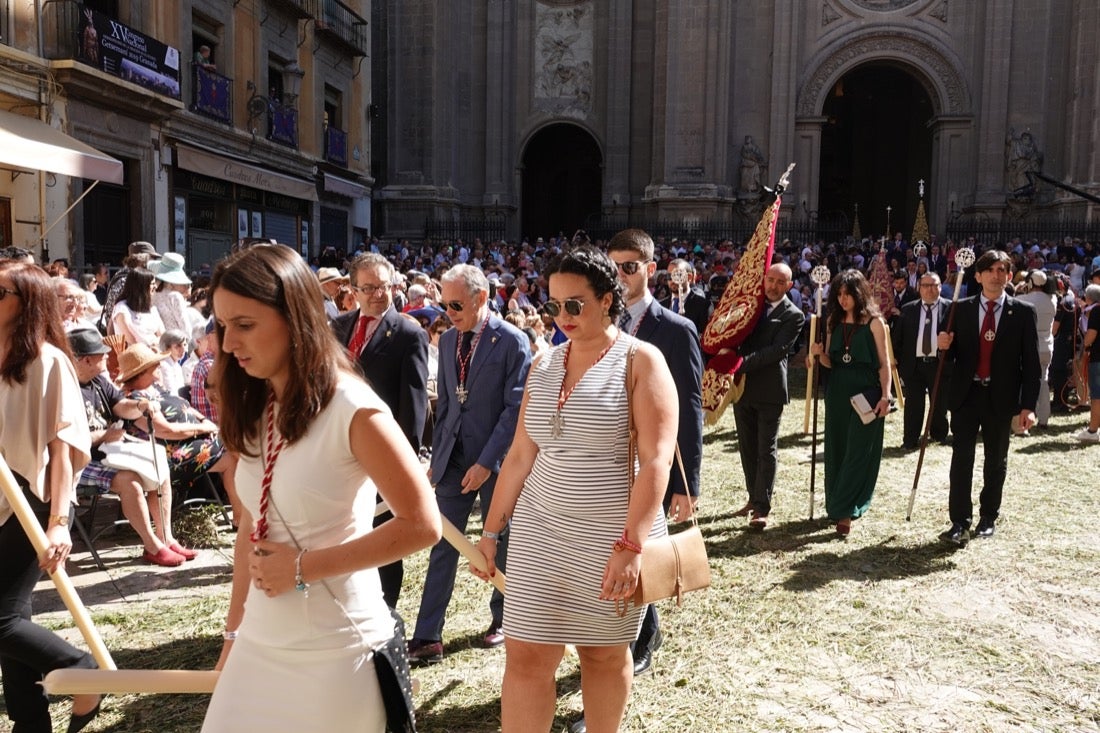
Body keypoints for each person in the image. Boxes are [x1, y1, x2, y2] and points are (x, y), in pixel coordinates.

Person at [201, 244, 441, 732]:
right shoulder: (255, 401)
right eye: (223, 326)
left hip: (339, 651)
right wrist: (232, 638)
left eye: (244, 325)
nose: (228, 344)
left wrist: (304, 568)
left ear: (294, 318)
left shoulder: (354, 408)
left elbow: (423, 525)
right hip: (258, 645)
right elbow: (252, 524)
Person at [472, 245, 678, 733]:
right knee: (524, 656)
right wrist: (490, 532)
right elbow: (521, 455)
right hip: (538, 536)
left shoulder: (641, 361)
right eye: (554, 305)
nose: (562, 315)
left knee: (602, 655)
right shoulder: (543, 365)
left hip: (609, 537)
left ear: (608, 300)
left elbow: (656, 460)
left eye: (574, 305)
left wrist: (631, 546)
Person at [407, 264, 531, 663]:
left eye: (456, 303)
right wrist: (438, 458)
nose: (449, 312)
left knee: (503, 541)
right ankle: (427, 635)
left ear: (481, 297)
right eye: (445, 304)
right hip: (455, 458)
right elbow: (445, 405)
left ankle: (505, 620)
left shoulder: (511, 341)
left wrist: (487, 462)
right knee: (443, 541)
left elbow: (515, 410)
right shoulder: (446, 342)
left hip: (496, 460)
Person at [0, 261, 102, 733]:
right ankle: (30, 722)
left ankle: (82, 669)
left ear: (28, 303)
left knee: (0, 621)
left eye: (0, 293)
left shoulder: (48, 360)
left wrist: (59, 520)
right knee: (11, 615)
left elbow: (63, 447)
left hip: (30, 498)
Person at [606, 228, 703, 687]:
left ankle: (640, 642)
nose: (620, 276)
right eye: (613, 267)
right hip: (606, 463)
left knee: (641, 548)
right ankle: (641, 633)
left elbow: (689, 409)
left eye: (629, 267)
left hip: (653, 463)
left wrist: (688, 484)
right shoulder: (596, 324)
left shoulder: (675, 330)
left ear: (649, 268)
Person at [331, 252, 430, 608]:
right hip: (340, 449)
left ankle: (386, 608)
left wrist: (406, 457)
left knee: (385, 534)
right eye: (369, 287)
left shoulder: (407, 334)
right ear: (352, 290)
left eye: (384, 286)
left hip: (384, 451)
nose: (378, 294)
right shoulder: (338, 329)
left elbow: (414, 403)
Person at [67, 328, 196, 567]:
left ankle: (166, 537)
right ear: (86, 359)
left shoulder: (98, 382)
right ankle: (152, 546)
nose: (107, 358)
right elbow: (68, 438)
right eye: (102, 355)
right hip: (80, 460)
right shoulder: (65, 388)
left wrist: (140, 405)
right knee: (130, 481)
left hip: (111, 453)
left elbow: (120, 405)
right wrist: (105, 435)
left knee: (159, 468)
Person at [936, 250, 1040, 545]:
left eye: (1002, 270)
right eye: (991, 269)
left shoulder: (1022, 312)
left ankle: (988, 517)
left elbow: (1031, 364)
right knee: (962, 459)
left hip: (1001, 397)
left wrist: (1028, 406)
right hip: (967, 396)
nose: (997, 275)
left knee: (995, 460)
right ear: (978, 276)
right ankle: (959, 521)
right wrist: (944, 345)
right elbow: (951, 353)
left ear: (1009, 276)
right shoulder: (960, 309)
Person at [808, 269, 893, 536]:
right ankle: (836, 503)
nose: (843, 300)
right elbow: (831, 363)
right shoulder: (833, 320)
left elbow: (884, 364)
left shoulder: (874, 323)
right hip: (838, 392)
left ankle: (845, 510)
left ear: (859, 294)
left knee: (859, 450)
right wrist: (818, 355)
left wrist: (884, 395)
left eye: (848, 294)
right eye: (839, 295)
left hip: (866, 391)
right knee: (837, 447)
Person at [730, 262, 804, 529]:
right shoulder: (751, 306)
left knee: (766, 449)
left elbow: (778, 351)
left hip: (770, 390)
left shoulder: (794, 315)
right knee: (747, 447)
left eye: (779, 282)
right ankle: (753, 497)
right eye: (770, 280)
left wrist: (739, 363)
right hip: (743, 389)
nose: (772, 286)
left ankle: (762, 507)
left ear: (789, 286)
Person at [892, 272, 952, 449]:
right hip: (914, 365)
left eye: (935, 285)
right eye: (926, 285)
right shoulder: (908, 309)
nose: (930, 289)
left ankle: (939, 434)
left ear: (941, 287)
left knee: (939, 402)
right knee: (913, 404)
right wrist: (896, 358)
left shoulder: (950, 309)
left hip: (939, 364)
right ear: (919, 288)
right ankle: (910, 439)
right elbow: (898, 337)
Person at [1015, 269, 1058, 431]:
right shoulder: (1052, 299)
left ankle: (1023, 417)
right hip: (1047, 345)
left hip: (1028, 346)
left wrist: (1019, 289)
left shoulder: (1022, 299)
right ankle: (1044, 419)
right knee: (1043, 382)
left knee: (1024, 382)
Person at [110, 267, 165, 349]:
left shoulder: (152, 309)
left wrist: (154, 344)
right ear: (141, 287)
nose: (155, 286)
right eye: (152, 284)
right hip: (134, 357)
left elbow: (163, 336)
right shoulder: (122, 309)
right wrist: (151, 344)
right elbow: (131, 339)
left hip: (156, 354)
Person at [1073, 283, 1100, 442]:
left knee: (1097, 396)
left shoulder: (1096, 311)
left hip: (1098, 358)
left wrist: (1085, 346)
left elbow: (1091, 335)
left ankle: (1092, 431)